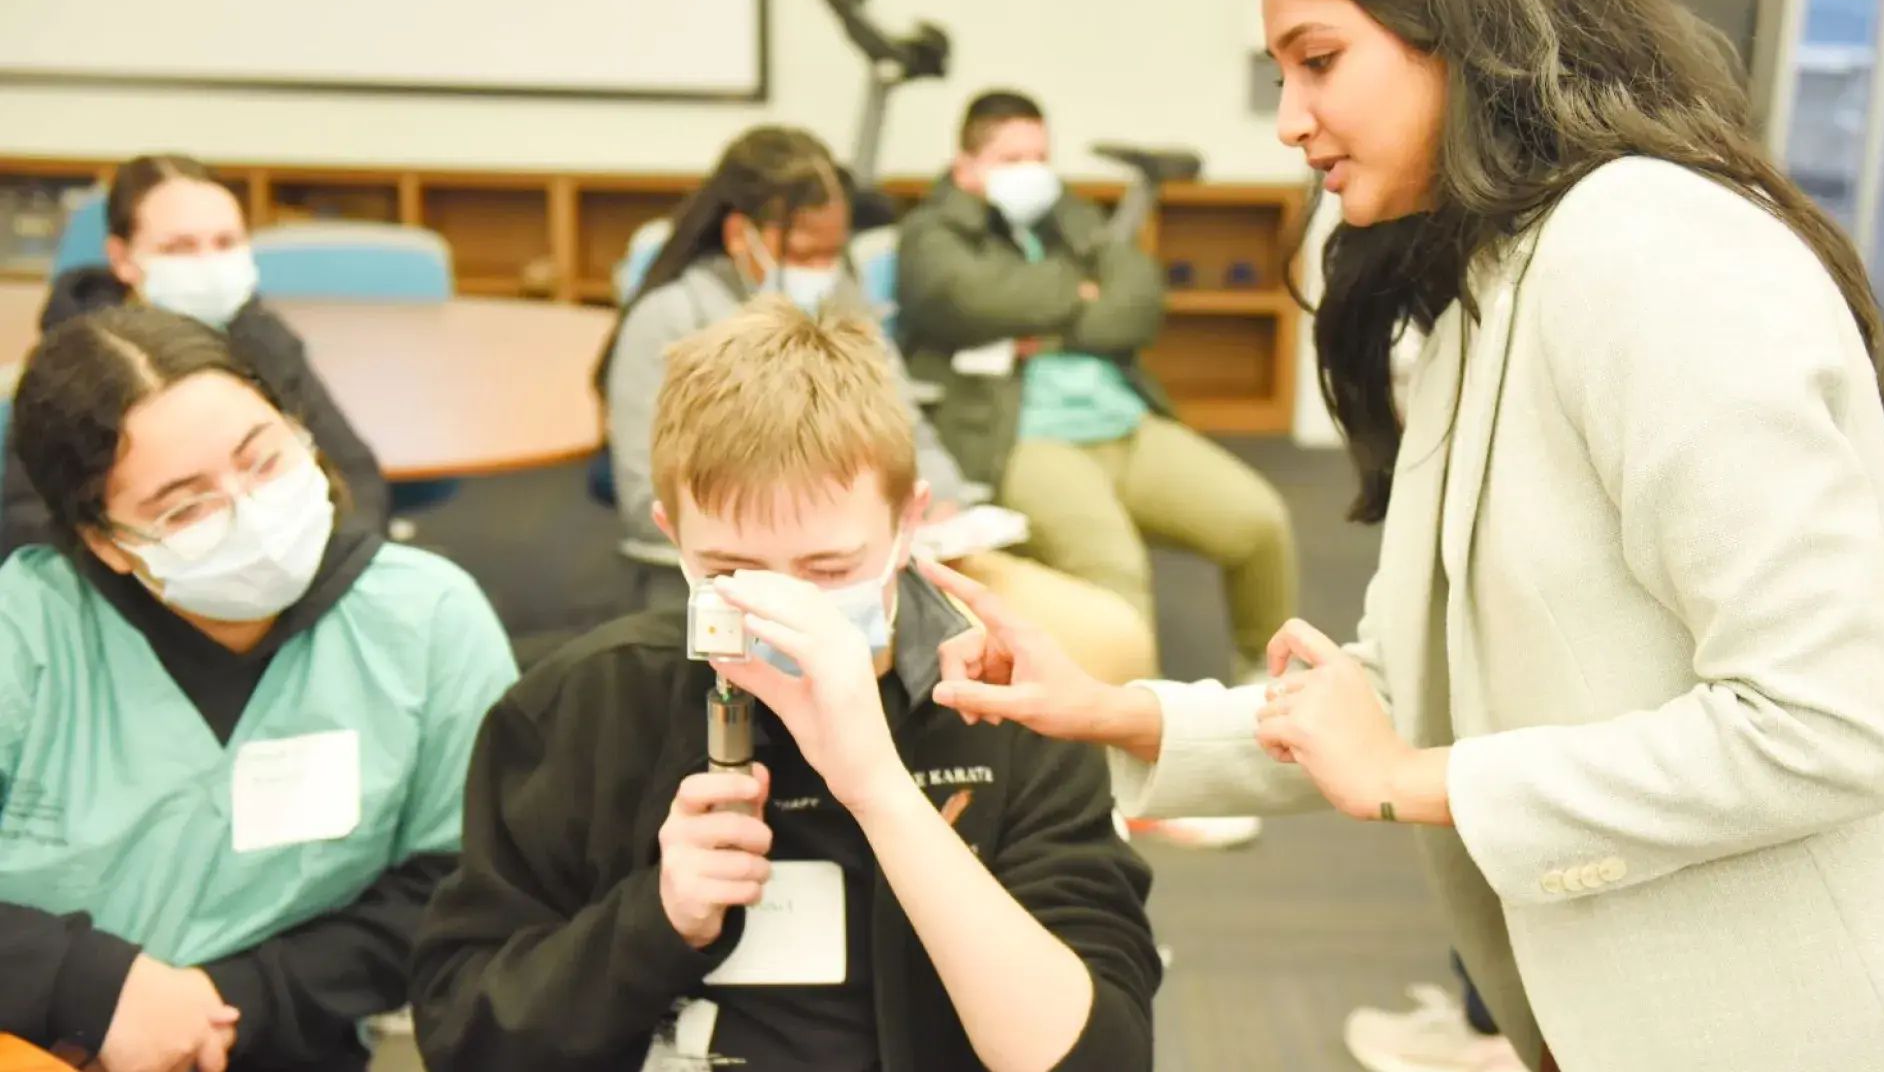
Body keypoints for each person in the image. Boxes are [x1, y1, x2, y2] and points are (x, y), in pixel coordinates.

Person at [921, 0, 1884, 1069]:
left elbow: (1831, 725)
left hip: (1781, 1017)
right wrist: (1114, 710)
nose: (1289, 121)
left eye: (1318, 61)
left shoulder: (1651, 250)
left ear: (1470, 34)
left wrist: (1413, 780)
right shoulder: (1484, 293)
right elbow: (1403, 693)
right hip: (1602, 1003)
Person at [410, 298, 1160, 1072]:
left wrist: (880, 792)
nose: (783, 609)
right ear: (673, 538)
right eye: (735, 572)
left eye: (828, 570)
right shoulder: (578, 708)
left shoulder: (1012, 714)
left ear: (909, 521)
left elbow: (1099, 1060)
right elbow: (464, 1034)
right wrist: (655, 919)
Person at [0, 306, 516, 1072]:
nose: (249, 512)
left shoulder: (428, 621)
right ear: (106, 543)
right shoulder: (26, 632)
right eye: (185, 505)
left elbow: (461, 887)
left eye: (263, 459)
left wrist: (222, 1003)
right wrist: (94, 987)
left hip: (286, 1040)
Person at [594, 123, 1158, 689]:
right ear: (743, 235)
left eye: (833, 254)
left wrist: (946, 506)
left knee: (1115, 638)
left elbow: (904, 419)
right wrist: (827, 541)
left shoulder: (841, 302)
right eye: (804, 253)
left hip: (885, 556)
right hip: (801, 574)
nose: (822, 271)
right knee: (1005, 662)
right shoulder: (668, 320)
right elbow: (647, 495)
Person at [893, 89, 1300, 686]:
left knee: (1260, 523)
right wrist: (1079, 293)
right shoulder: (932, 232)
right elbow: (965, 298)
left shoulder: (1065, 215)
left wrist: (1042, 325)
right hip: (1027, 438)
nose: (1032, 172)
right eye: (1011, 158)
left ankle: (1265, 691)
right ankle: (1136, 736)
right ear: (966, 167)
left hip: (1124, 423)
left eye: (1040, 156)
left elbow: (1138, 298)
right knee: (1117, 572)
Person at [2, 153, 389, 561]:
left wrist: (334, 571)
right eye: (180, 247)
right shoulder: (76, 367)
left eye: (225, 243)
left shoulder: (261, 335)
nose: (208, 263)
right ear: (122, 258)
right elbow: (28, 523)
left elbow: (356, 476)